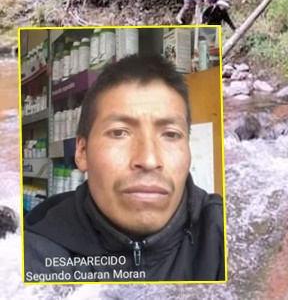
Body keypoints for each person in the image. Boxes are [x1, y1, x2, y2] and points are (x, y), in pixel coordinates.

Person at [24, 54, 225, 282]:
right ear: (81, 152)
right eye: (119, 133)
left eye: (170, 134)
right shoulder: (36, 255)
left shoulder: (222, 232)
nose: (149, 160)